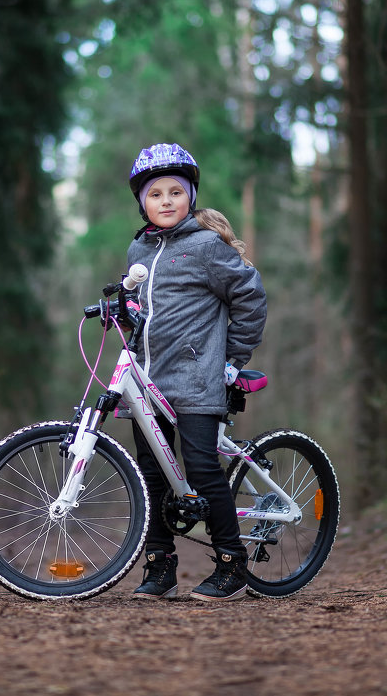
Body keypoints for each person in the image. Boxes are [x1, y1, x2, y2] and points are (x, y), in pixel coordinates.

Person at [123, 142, 267, 602]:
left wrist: (233, 358)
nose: (166, 201)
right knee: (153, 476)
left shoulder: (205, 246)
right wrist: (122, 309)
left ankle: (231, 563)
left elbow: (250, 296)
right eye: (155, 194)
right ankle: (160, 566)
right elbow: (142, 310)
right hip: (148, 384)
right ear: (142, 202)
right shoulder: (138, 249)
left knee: (203, 470)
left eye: (175, 192)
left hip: (199, 380)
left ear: (190, 196)